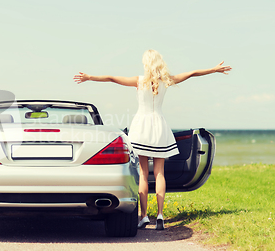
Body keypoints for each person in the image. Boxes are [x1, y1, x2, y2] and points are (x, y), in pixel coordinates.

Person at [73, 49, 231, 230]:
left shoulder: (139, 81)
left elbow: (112, 78)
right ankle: (161, 215)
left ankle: (144, 216)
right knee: (160, 173)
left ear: (146, 64)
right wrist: (213, 69)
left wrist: (90, 77)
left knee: (142, 174)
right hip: (159, 126)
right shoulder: (166, 81)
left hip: (142, 126)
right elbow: (192, 73)